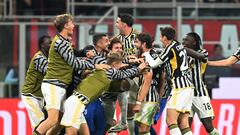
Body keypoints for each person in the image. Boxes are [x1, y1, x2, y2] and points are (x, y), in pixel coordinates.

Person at [34, 13, 95, 135]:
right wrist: (94, 65)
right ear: (66, 25)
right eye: (72, 23)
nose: (73, 25)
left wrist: (83, 54)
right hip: (53, 85)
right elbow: (73, 63)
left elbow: (72, 56)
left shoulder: (63, 41)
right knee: (52, 120)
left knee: (59, 121)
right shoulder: (60, 43)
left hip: (59, 86)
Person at [60, 52, 148, 135]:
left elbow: (106, 60)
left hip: (77, 102)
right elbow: (125, 74)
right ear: (114, 64)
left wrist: (127, 62)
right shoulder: (110, 71)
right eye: (119, 64)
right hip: (76, 103)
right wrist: (139, 68)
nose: (121, 66)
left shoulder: (102, 67)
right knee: (71, 133)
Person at [143, 26, 194, 135]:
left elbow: (153, 64)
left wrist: (146, 53)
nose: (160, 39)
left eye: (161, 37)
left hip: (179, 88)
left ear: (165, 37)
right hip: (189, 87)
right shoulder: (178, 45)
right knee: (183, 122)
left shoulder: (170, 48)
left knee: (170, 121)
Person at [182, 32, 219, 135]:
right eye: (183, 40)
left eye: (186, 40)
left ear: (194, 42)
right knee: (185, 126)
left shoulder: (203, 52)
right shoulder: (181, 54)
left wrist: (181, 49)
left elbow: (201, 57)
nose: (183, 42)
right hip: (186, 95)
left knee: (209, 128)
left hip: (200, 94)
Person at [109, 13, 140, 134]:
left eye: (118, 22)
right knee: (123, 105)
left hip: (138, 77)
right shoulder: (116, 40)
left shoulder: (138, 37)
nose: (116, 24)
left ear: (124, 24)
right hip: (122, 77)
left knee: (132, 110)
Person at [133, 33, 162, 135]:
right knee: (144, 129)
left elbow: (148, 80)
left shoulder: (147, 58)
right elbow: (162, 78)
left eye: (136, 42)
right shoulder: (155, 56)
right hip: (153, 95)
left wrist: (138, 102)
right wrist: (159, 99)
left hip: (147, 96)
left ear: (144, 44)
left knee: (143, 129)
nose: (134, 44)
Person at [21, 35, 51, 130]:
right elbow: (50, 72)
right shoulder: (39, 58)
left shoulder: (47, 57)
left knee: (42, 123)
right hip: (31, 95)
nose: (52, 45)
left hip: (39, 96)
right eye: (49, 43)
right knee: (39, 122)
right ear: (42, 45)